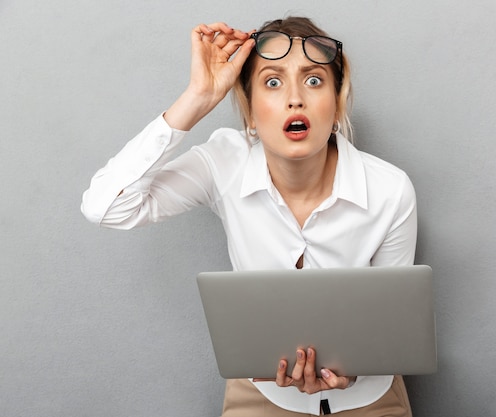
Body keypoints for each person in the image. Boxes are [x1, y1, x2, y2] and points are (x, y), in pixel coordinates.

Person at [81, 16, 417, 417]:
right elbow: (106, 207)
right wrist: (199, 97)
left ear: (338, 101)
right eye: (273, 82)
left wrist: (355, 373)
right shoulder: (225, 162)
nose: (295, 98)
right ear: (251, 112)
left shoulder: (391, 190)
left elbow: (389, 328)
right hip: (261, 395)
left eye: (313, 81)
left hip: (370, 398)